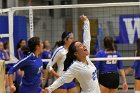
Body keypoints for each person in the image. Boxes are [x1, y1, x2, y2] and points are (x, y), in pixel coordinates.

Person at [44, 15, 101, 93]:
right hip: (63, 78)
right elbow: (62, 79)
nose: (84, 45)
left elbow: (87, 39)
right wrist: (49, 89)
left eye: (82, 44)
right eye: (80, 45)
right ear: (76, 53)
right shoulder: (75, 65)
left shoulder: (86, 57)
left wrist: (86, 22)